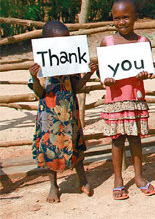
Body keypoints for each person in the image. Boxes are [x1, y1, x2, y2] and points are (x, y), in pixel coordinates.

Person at [29, 20, 97, 203]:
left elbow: (76, 87)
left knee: (75, 144)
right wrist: (35, 78)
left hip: (70, 112)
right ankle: (53, 185)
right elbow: (39, 92)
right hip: (49, 114)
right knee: (51, 148)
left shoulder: (70, 62)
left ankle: (82, 180)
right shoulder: (41, 64)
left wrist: (89, 74)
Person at [100, 0, 155, 199]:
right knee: (117, 140)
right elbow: (103, 74)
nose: (121, 22)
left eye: (126, 17)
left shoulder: (143, 43)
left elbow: (147, 69)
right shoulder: (106, 43)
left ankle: (139, 177)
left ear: (135, 17)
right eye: (117, 18)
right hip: (115, 100)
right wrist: (106, 80)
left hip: (135, 98)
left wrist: (145, 74)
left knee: (135, 139)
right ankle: (118, 180)